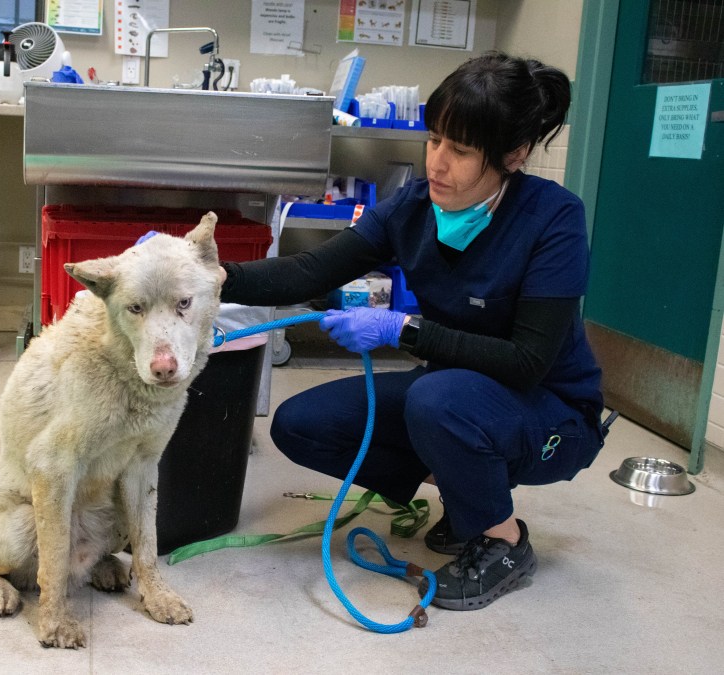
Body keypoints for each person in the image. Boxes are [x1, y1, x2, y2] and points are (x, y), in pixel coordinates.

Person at [218, 51, 607, 611]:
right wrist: (207, 275)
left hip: (551, 408)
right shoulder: (415, 207)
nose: (438, 163)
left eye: (462, 150)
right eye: (435, 139)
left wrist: (403, 328)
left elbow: (527, 363)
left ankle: (505, 540)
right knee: (301, 425)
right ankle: (468, 494)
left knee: (435, 397)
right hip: (457, 393)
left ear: (514, 155)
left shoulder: (554, 219)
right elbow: (309, 271)